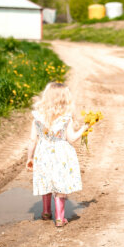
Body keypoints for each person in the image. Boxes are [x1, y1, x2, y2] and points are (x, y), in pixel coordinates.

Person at [26, 82, 88, 228]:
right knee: (60, 183)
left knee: (46, 180)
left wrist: (29, 158)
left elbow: (32, 139)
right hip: (61, 153)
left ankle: (46, 212)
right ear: (65, 99)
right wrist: (85, 128)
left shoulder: (38, 116)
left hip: (43, 153)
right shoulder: (66, 118)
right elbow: (71, 138)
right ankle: (60, 218)